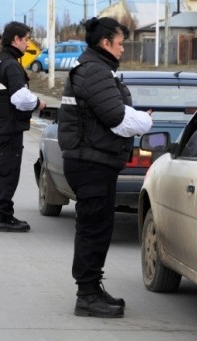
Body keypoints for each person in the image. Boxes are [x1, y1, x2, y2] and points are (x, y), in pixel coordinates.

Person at [58, 17, 153, 318]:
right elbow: (117, 119)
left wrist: (133, 117)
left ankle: (92, 287)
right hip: (90, 163)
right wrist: (145, 121)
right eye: (121, 43)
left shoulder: (96, 70)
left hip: (93, 161)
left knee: (98, 228)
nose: (123, 49)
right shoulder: (95, 71)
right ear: (105, 43)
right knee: (93, 229)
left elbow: (110, 112)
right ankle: (86, 295)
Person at [0, 21, 46, 232]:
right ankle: (4, 217)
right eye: (26, 39)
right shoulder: (11, 64)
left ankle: (2, 214)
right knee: (8, 172)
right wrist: (37, 103)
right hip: (9, 127)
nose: (28, 43)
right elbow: (20, 97)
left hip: (0, 125)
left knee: (3, 171)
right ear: (16, 40)